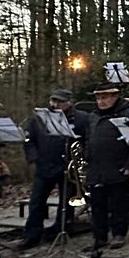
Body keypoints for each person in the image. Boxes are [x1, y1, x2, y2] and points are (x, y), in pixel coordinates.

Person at [19, 88, 92, 249]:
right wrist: (34, 157)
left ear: (69, 102)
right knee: (36, 202)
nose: (55, 104)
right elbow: (28, 139)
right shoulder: (39, 118)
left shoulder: (81, 118)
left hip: (67, 166)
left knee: (66, 202)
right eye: (53, 101)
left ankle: (62, 229)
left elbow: (87, 141)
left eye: (59, 102)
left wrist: (82, 161)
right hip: (44, 165)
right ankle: (32, 235)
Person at [82, 82, 129, 256]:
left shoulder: (128, 114)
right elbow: (88, 138)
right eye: (98, 97)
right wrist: (87, 155)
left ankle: (118, 234)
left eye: (105, 97)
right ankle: (99, 236)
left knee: (118, 202)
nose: (101, 101)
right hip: (96, 166)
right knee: (97, 203)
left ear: (115, 97)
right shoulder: (93, 117)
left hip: (118, 165)